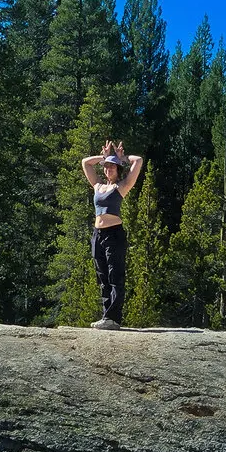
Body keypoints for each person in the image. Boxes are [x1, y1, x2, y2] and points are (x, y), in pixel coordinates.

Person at [81, 140, 144, 330]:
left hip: (114, 235)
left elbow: (138, 160)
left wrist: (121, 157)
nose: (108, 169)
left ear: (118, 169)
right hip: (98, 235)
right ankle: (106, 317)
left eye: (112, 166)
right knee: (102, 276)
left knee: (115, 275)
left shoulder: (122, 187)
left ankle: (114, 318)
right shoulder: (98, 186)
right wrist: (104, 156)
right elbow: (85, 163)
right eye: (106, 166)